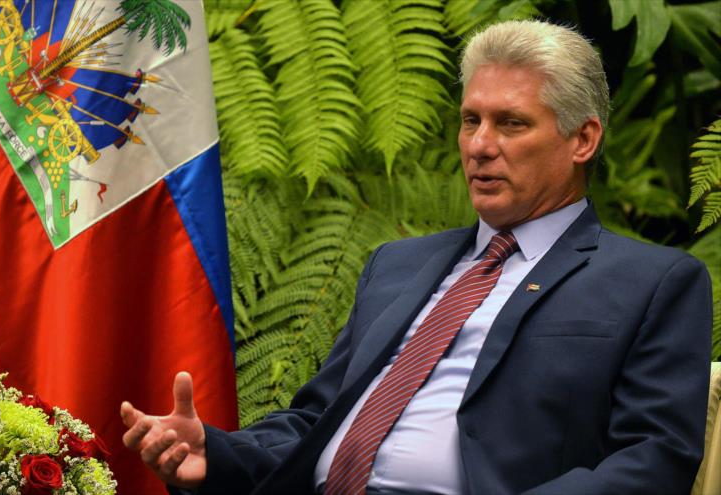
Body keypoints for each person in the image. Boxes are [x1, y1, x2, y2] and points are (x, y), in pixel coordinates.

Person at [121, 20, 713, 495]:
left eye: (511, 124)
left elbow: (653, 460)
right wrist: (214, 452)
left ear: (582, 139)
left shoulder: (652, 282)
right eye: (470, 120)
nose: (480, 145)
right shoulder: (396, 265)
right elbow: (315, 422)